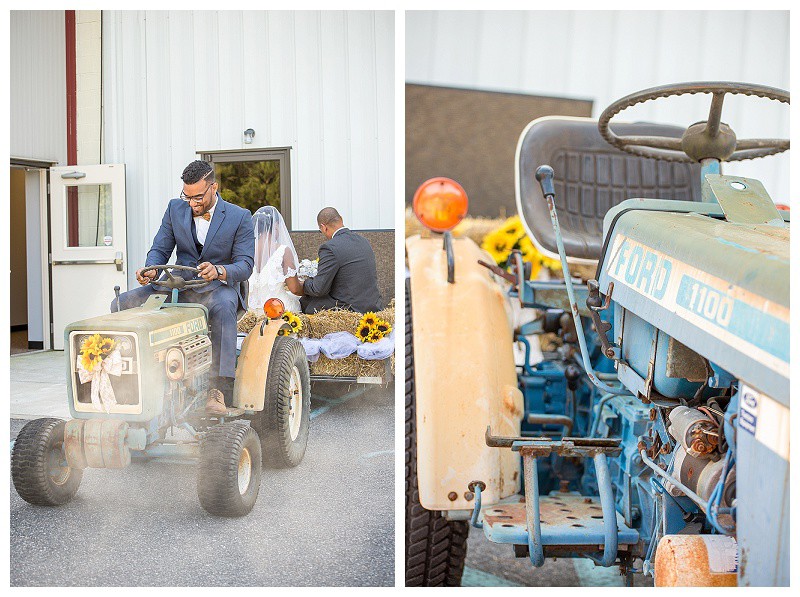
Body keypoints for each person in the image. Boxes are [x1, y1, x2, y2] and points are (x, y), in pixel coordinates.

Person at [111, 160, 254, 415]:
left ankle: (217, 390)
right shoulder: (175, 209)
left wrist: (220, 271)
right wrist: (151, 268)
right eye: (187, 197)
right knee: (121, 304)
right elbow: (160, 248)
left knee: (223, 306)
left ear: (214, 188)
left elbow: (245, 265)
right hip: (178, 283)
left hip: (216, 288)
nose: (192, 203)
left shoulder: (239, 216)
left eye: (198, 197)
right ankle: (129, 381)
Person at [288, 207, 382, 314]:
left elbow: (319, 289)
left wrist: (304, 284)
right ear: (341, 219)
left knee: (304, 303)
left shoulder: (329, 248)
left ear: (323, 227)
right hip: (373, 306)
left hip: (349, 309)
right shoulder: (364, 241)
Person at [248, 206, 302, 314]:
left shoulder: (248, 249)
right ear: (276, 226)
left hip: (251, 310)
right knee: (299, 301)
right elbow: (294, 288)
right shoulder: (283, 251)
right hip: (276, 309)